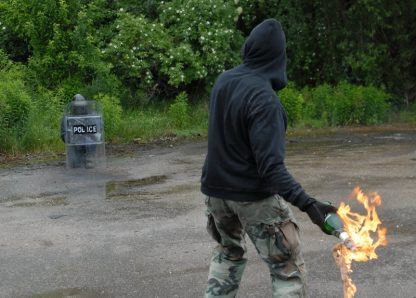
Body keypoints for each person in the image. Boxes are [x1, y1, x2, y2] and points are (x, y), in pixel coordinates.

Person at [200, 19, 337, 298]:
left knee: (228, 254)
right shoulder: (264, 100)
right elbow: (271, 169)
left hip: (215, 194)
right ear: (279, 58)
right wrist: (308, 205)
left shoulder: (224, 81)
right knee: (286, 267)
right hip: (253, 196)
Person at [60, 94, 95, 168]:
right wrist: (72, 135)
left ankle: (89, 158)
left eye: (81, 105)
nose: (79, 108)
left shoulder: (91, 116)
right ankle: (76, 158)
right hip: (74, 144)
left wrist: (86, 133)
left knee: (90, 141)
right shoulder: (67, 117)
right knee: (76, 165)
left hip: (87, 143)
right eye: (77, 105)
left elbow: (96, 133)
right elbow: (63, 134)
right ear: (73, 106)